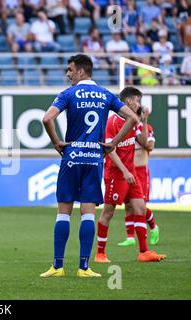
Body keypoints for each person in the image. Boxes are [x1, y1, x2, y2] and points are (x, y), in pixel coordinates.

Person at [40, 54, 138, 278]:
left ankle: (57, 267)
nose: (68, 74)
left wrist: (56, 142)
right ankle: (84, 268)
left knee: (63, 212)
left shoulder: (68, 94)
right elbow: (132, 118)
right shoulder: (105, 94)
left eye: (70, 70)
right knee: (88, 214)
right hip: (95, 156)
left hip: (72, 155)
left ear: (81, 72)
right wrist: (113, 143)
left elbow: (47, 119)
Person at [95, 86, 166, 263]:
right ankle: (100, 253)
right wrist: (125, 171)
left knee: (140, 208)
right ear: (128, 102)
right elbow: (110, 150)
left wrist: (143, 121)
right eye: (137, 101)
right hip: (115, 174)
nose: (138, 104)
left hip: (130, 173)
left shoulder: (133, 122)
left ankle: (144, 252)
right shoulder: (112, 122)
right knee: (108, 212)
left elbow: (144, 142)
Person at [118, 107, 160, 247]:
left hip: (141, 171)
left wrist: (143, 124)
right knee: (128, 204)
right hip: (129, 171)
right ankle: (130, 237)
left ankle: (153, 227)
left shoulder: (146, 128)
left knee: (140, 205)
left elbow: (149, 145)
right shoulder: (125, 129)